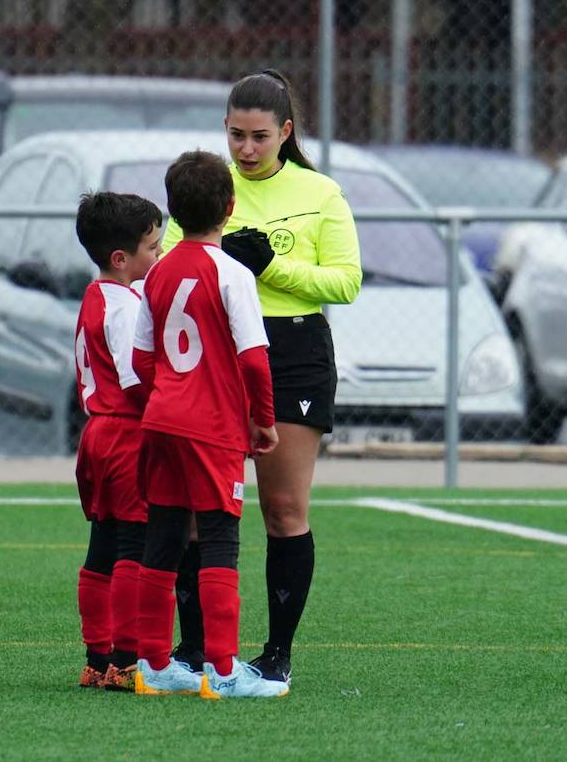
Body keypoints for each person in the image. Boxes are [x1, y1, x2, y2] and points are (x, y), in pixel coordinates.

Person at [165, 69, 362, 686]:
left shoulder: (320, 193)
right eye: (235, 136)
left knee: (282, 507)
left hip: (294, 348)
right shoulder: (208, 190)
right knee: (200, 509)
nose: (245, 150)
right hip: (219, 352)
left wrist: (273, 266)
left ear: (285, 132)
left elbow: (345, 282)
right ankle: (192, 649)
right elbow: (172, 258)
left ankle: (276, 654)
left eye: (257, 137)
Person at [130, 150, 285, 700]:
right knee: (220, 540)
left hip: (163, 420)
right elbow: (253, 359)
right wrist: (263, 422)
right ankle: (222, 672)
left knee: (165, 537)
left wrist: (165, 400)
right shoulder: (233, 273)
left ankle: (153, 665)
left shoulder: (158, 272)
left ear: (172, 213)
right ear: (231, 206)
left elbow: (144, 357)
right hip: (212, 425)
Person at [71, 191, 163, 692]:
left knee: (102, 547)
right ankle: (126, 662)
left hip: (96, 435)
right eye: (152, 247)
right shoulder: (128, 306)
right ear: (121, 258)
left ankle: (95, 656)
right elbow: (136, 379)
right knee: (134, 545)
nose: (159, 254)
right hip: (126, 431)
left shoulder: (93, 296)